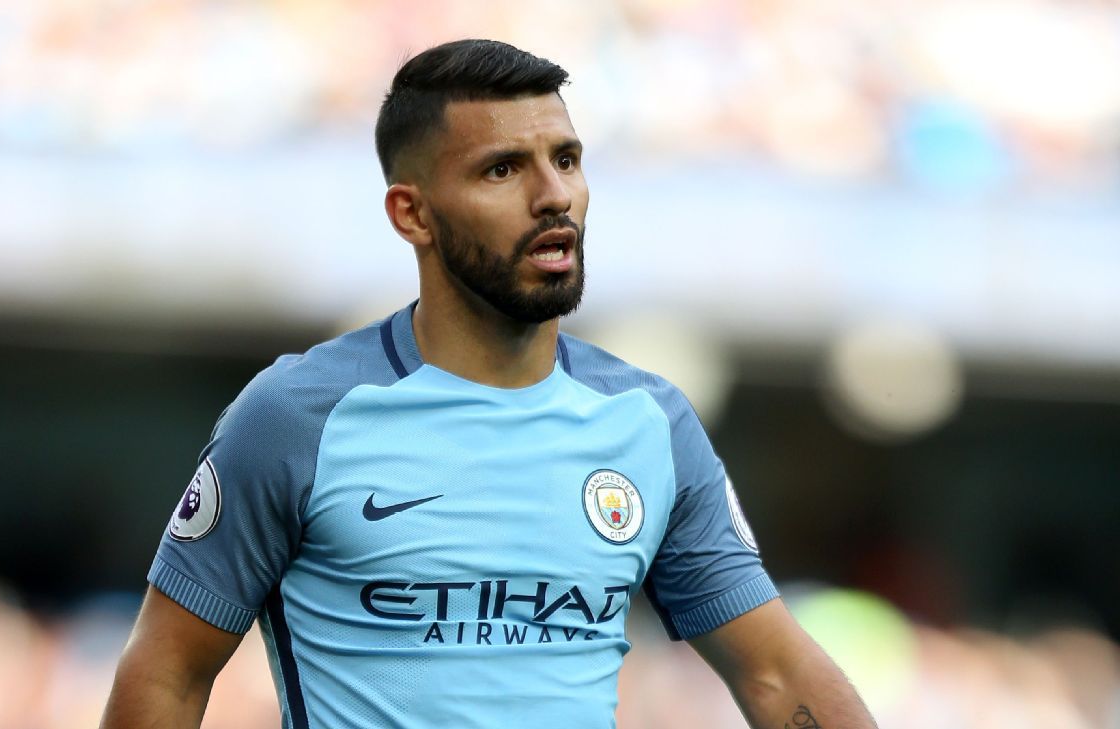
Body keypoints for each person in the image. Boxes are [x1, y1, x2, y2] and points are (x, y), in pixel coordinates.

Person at [101, 39, 878, 729]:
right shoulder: (299, 418)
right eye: (502, 169)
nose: (553, 195)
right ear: (412, 214)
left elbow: (777, 673)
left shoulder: (650, 422)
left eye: (566, 159)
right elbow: (170, 670)